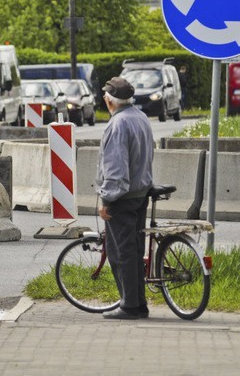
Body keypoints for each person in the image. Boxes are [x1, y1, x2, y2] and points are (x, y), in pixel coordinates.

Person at [96, 77, 155, 320]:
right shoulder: (140, 117)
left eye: (105, 96)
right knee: (134, 250)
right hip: (140, 194)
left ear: (109, 101)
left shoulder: (117, 124)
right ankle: (139, 304)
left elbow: (115, 168)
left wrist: (106, 200)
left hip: (123, 197)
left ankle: (129, 306)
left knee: (121, 253)